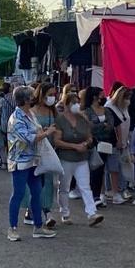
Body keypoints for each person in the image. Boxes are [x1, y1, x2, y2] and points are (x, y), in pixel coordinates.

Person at [5, 86, 59, 241]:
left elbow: (36, 132)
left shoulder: (30, 114)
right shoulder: (17, 118)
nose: (33, 98)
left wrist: (43, 131)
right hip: (20, 161)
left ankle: (38, 226)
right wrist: (46, 133)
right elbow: (29, 138)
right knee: (18, 193)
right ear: (26, 99)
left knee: (37, 193)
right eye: (31, 96)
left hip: (33, 159)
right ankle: (13, 228)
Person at [54, 89, 104, 227]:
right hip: (66, 158)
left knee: (85, 186)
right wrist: (73, 146)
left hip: (82, 158)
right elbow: (57, 141)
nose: (77, 105)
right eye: (74, 102)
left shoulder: (83, 119)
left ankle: (92, 213)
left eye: (78, 102)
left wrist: (86, 144)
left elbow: (89, 137)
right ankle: (65, 213)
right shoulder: (60, 120)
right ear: (67, 104)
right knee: (64, 187)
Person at [20, 82, 60, 228]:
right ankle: (31, 209)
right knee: (34, 181)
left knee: (47, 181)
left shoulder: (52, 112)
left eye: (54, 95)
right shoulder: (31, 111)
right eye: (49, 94)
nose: (52, 98)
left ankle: (47, 210)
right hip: (33, 151)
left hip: (48, 151)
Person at [83, 86, 116, 207]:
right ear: (94, 96)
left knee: (101, 169)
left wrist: (98, 125)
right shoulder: (87, 111)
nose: (104, 97)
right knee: (93, 169)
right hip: (93, 143)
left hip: (105, 144)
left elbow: (111, 126)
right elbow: (89, 126)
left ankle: (97, 194)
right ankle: (93, 195)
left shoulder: (106, 110)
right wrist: (102, 125)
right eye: (101, 95)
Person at [104, 85, 132, 203]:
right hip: (113, 142)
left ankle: (119, 189)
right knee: (112, 167)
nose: (129, 100)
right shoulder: (109, 107)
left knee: (120, 167)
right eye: (127, 98)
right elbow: (116, 126)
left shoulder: (124, 107)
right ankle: (111, 191)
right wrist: (119, 140)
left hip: (123, 142)